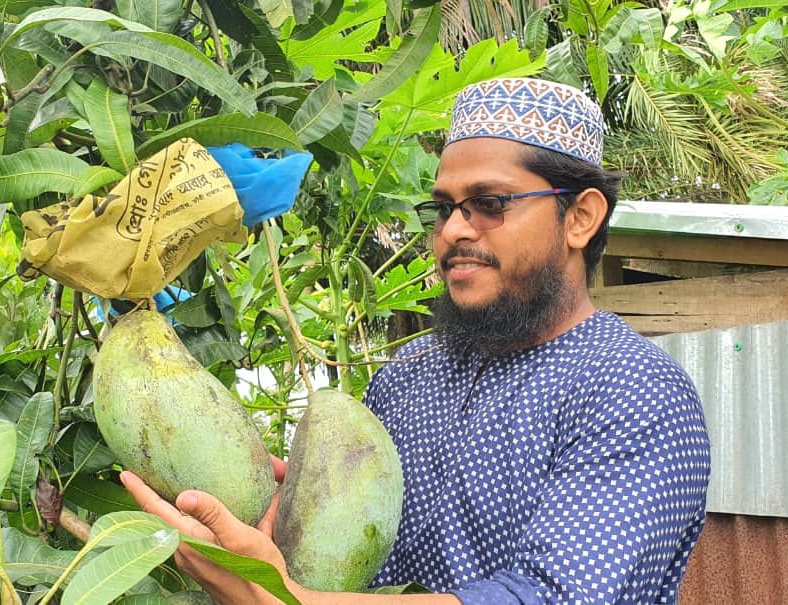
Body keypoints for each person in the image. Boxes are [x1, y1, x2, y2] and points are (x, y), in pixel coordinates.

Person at [121, 77, 712, 604]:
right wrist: (284, 519)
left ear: (580, 217)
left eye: (490, 204)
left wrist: (282, 599)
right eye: (444, 208)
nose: (454, 230)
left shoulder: (636, 393)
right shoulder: (409, 375)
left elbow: (550, 596)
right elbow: (350, 549)